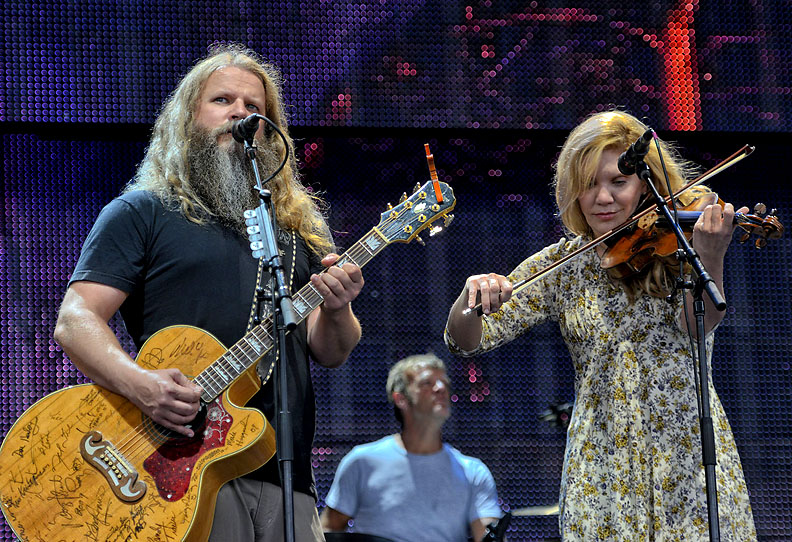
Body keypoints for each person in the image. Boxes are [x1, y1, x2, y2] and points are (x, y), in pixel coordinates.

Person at [53, 44, 364, 542]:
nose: (240, 112)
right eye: (223, 100)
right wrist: (141, 385)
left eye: (254, 107)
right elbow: (75, 320)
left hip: (285, 476)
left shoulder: (296, 231)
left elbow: (330, 350)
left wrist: (337, 307)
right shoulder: (142, 212)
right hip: (177, 473)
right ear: (188, 117)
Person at [445, 110, 757, 541]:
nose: (603, 197)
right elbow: (466, 341)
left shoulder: (678, 247)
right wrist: (470, 299)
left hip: (686, 456)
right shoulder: (564, 264)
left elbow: (696, 324)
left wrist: (711, 255)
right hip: (602, 465)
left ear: (645, 184)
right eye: (589, 184)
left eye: (618, 182)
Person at [321, 354, 502, 542]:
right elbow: (328, 529)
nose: (441, 388)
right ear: (401, 399)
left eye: (444, 383)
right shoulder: (362, 461)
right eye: (427, 383)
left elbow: (489, 536)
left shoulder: (473, 471)